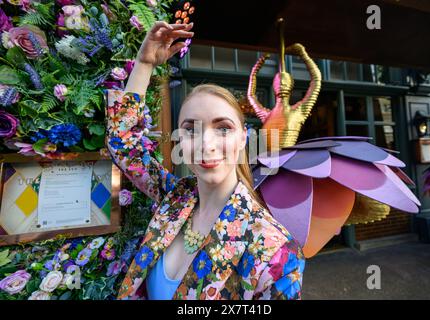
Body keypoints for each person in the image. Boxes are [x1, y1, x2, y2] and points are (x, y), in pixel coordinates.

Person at [105, 21, 305, 300]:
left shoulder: (274, 251)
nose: (206, 144)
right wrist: (144, 63)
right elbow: (124, 144)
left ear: (244, 138)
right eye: (191, 129)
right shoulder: (174, 197)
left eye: (223, 128)